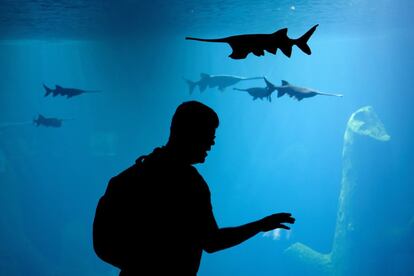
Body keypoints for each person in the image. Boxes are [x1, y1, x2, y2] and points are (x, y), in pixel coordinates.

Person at [93, 100, 295, 276]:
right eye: (208, 134)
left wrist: (138, 267)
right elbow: (212, 242)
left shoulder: (128, 177)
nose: (212, 142)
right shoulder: (190, 183)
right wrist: (260, 225)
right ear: (189, 133)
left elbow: (101, 244)